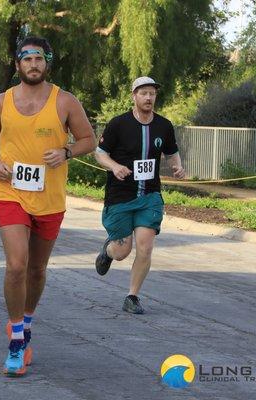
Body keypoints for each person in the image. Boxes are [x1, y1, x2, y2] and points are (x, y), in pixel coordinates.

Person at [0, 36, 96, 376]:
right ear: (17, 64)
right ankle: (16, 339)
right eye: (27, 58)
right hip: (9, 191)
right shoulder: (0, 102)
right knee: (17, 264)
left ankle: (26, 321)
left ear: (47, 63)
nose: (33, 64)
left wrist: (67, 151)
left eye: (39, 58)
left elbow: (89, 139)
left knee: (37, 270)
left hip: (49, 198)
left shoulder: (65, 102)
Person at [94, 76, 185, 314]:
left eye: (152, 93)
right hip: (120, 196)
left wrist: (177, 166)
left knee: (145, 248)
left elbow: (172, 152)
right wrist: (114, 166)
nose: (148, 97)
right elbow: (100, 153)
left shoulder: (164, 126)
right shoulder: (118, 124)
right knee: (123, 251)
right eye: (143, 93)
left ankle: (132, 296)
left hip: (150, 196)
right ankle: (108, 251)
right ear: (133, 96)